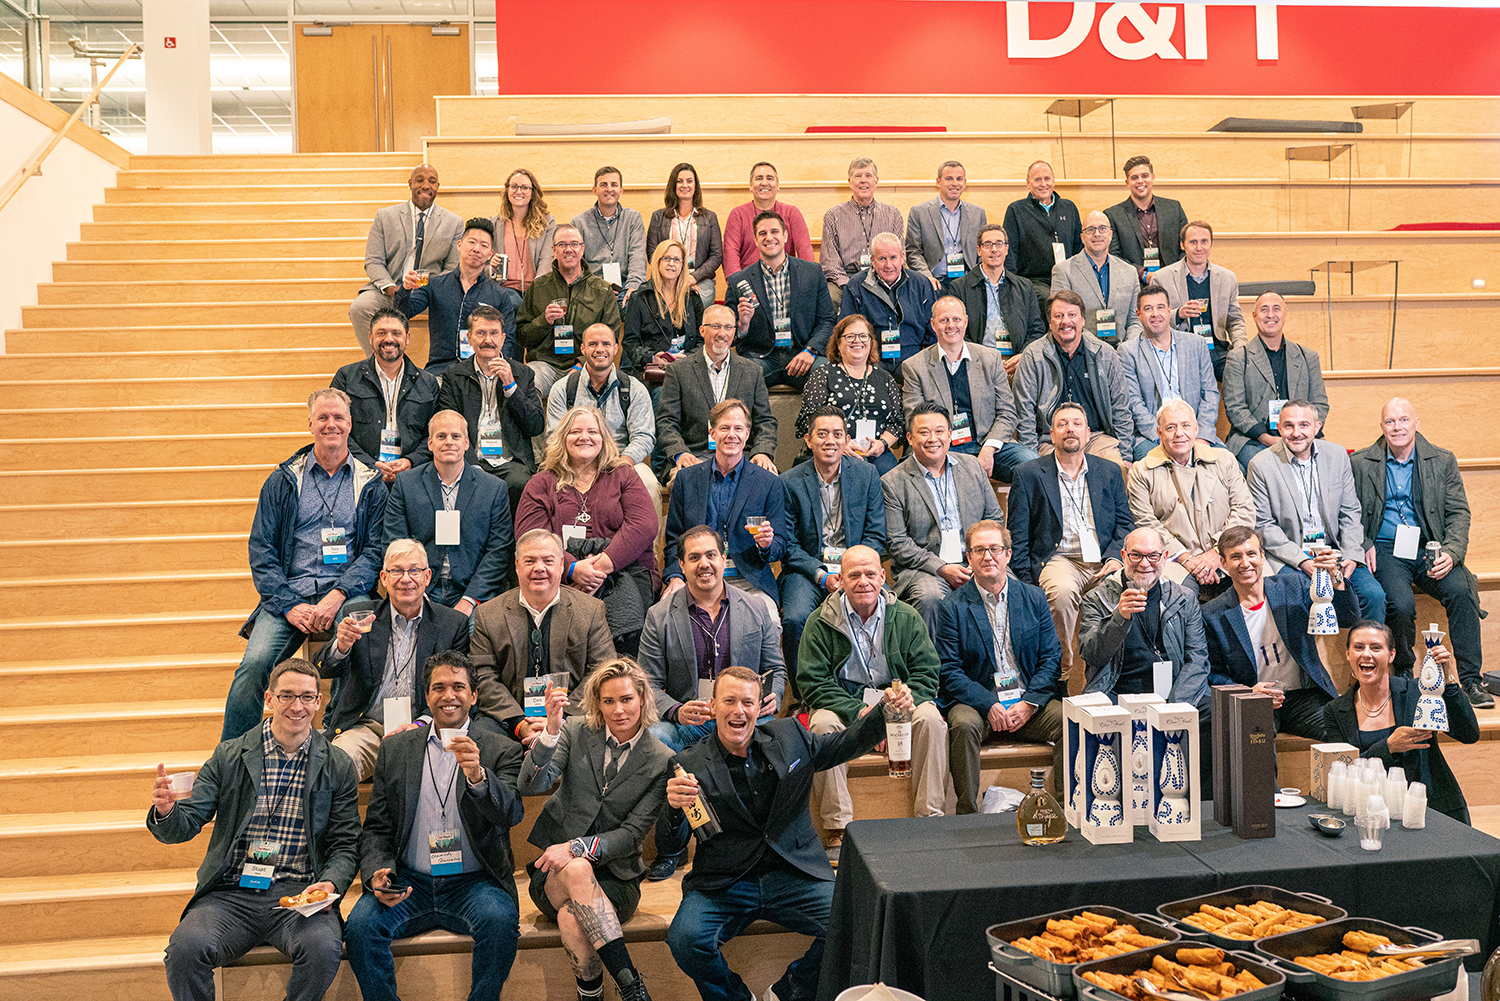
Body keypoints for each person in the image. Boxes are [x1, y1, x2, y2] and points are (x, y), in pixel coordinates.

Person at [664, 666, 914, 1001]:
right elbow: (670, 844)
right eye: (729, 701)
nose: (739, 711)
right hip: (725, 883)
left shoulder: (790, 735)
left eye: (748, 703)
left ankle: (787, 993)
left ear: (759, 708)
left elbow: (844, 744)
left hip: (794, 873)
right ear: (713, 706)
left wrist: (885, 711)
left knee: (859, 922)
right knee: (684, 939)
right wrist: (672, 808)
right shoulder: (687, 763)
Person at [149, 658, 360, 1001]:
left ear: (318, 702)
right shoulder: (230, 755)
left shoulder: (336, 763)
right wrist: (167, 811)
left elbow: (346, 843)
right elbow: (186, 823)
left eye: (307, 697)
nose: (297, 706)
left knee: (323, 949)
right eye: (287, 695)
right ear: (269, 698)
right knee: (185, 950)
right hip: (231, 893)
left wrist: (331, 882)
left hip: (299, 894)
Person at [344, 650, 525, 1001]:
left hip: (473, 884)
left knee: (501, 923)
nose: (448, 695)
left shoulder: (500, 749)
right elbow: (377, 826)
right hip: (409, 882)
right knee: (361, 927)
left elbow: (511, 814)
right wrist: (377, 870)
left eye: (458, 686)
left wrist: (478, 777)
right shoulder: (395, 749)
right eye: (438, 687)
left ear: (474, 695)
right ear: (426, 697)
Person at [225, 388, 387, 740]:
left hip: (346, 593)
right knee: (253, 667)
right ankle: (233, 758)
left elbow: (375, 551)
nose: (331, 424)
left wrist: (338, 594)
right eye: (323, 417)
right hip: (290, 594)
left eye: (338, 417)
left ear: (350, 424)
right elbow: (262, 550)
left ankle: (334, 737)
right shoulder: (283, 480)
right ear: (310, 424)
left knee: (361, 647)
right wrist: (288, 604)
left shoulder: (370, 482)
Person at [639, 524, 786, 880]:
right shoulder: (659, 615)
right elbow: (647, 684)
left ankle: (768, 843)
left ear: (724, 558)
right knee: (656, 738)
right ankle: (671, 848)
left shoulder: (757, 607)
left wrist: (774, 695)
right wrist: (676, 710)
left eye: (710, 555)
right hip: (688, 721)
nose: (704, 564)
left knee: (779, 740)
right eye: (694, 558)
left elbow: (776, 669)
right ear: (681, 565)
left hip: (743, 717)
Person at [519, 658, 671, 1001]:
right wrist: (551, 731)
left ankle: (591, 996)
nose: (618, 710)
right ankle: (632, 987)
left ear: (642, 699)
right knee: (576, 868)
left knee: (572, 919)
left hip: (617, 880)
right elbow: (530, 785)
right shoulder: (574, 731)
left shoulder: (660, 759)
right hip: (555, 875)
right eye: (608, 701)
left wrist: (576, 846)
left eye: (626, 699)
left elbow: (631, 835)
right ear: (597, 704)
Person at [798, 545, 947, 853]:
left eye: (869, 574)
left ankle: (930, 819)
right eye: (854, 575)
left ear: (882, 577)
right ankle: (838, 827)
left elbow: (927, 674)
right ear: (840, 580)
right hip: (848, 706)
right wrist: (861, 713)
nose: (863, 582)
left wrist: (898, 710)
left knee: (931, 719)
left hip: (898, 704)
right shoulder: (820, 621)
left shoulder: (907, 617)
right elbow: (813, 684)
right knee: (821, 724)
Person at [1351, 398, 1492, 707]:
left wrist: (1452, 552)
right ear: (1381, 426)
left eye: (1404, 420)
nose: (1397, 427)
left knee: (1462, 591)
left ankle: (1470, 680)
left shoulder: (1442, 460)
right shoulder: (1361, 462)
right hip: (1386, 548)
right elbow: (1349, 513)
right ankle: (1403, 674)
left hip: (1431, 547)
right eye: (1390, 421)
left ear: (1417, 423)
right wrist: (1364, 543)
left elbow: (1458, 514)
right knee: (1400, 604)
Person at [936, 520, 1064, 813]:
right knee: (963, 725)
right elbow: (949, 670)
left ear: (1008, 554)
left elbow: (1050, 659)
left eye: (995, 549)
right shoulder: (952, 607)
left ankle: (1062, 811)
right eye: (979, 550)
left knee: (1069, 720)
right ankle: (968, 815)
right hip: (978, 704)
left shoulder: (1033, 598)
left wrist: (1029, 703)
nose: (987, 557)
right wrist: (989, 704)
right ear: (968, 558)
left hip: (1026, 703)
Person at [316, 539, 471, 781]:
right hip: (365, 728)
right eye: (396, 571)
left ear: (428, 577)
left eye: (414, 570)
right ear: (384, 578)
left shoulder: (452, 624)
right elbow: (323, 668)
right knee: (334, 767)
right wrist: (342, 645)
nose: (406, 579)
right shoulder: (360, 616)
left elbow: (457, 691)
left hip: (424, 729)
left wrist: (420, 725)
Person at [1007, 403, 1135, 693]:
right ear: (1052, 435)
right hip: (1058, 559)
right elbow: (1018, 536)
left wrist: (1115, 558)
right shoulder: (1028, 474)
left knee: (1129, 590)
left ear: (1088, 433)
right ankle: (1061, 677)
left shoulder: (1109, 471)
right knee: (1062, 592)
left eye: (1077, 423)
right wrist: (1027, 583)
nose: (1070, 429)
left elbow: (1125, 525)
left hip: (1103, 559)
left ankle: (1113, 678)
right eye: (1062, 424)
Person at [516, 406, 659, 657]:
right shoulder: (541, 483)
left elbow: (643, 524)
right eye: (575, 432)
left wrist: (600, 567)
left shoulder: (624, 475)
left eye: (593, 431)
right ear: (563, 438)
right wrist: (571, 568)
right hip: (560, 575)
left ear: (604, 438)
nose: (585, 437)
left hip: (624, 571)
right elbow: (531, 535)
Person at [1202, 527, 1357, 739]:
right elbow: (1213, 673)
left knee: (1345, 731)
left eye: (1251, 554)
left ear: (1262, 556)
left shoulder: (1293, 586)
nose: (1245, 563)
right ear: (1223, 563)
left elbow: (1348, 618)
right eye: (1236, 557)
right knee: (1255, 740)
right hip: (1255, 698)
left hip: (1304, 697)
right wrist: (1248, 693)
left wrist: (1335, 579)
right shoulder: (1213, 614)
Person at [469, 529, 617, 746]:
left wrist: (559, 721)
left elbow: (601, 671)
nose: (539, 568)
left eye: (548, 561)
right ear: (517, 566)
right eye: (530, 561)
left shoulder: (590, 610)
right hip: (509, 719)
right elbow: (483, 676)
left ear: (561, 565)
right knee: (482, 735)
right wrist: (520, 724)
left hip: (572, 717)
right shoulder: (489, 614)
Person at [1323, 621, 1480, 823]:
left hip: (1431, 811)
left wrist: (1447, 681)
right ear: (1348, 654)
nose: (1366, 654)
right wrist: (1388, 747)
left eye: (1376, 648)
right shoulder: (1335, 711)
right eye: (1359, 647)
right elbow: (1341, 770)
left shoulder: (1418, 692)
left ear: (1392, 655)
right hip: (1369, 816)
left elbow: (1468, 733)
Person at [1246, 398, 1386, 620]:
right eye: (1289, 425)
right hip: (1291, 555)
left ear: (1317, 427)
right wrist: (1302, 561)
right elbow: (1263, 525)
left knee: (1373, 596)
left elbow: (1350, 512)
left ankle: (1361, 644)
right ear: (1279, 428)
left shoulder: (1337, 456)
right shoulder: (1261, 465)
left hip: (1335, 552)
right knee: (1297, 599)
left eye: (1304, 425)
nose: (1296, 433)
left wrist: (1351, 555)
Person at [780, 407, 889, 682]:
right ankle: (804, 693)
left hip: (857, 567)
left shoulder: (867, 475)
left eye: (837, 434)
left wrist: (854, 570)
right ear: (808, 440)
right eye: (822, 434)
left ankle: (878, 684)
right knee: (795, 618)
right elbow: (789, 544)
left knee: (889, 609)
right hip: (808, 570)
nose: (830, 441)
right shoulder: (790, 481)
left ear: (847, 439)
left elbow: (876, 534)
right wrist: (821, 575)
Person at [882, 402, 1004, 634]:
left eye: (939, 431)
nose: (932, 439)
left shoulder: (972, 467)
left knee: (1013, 590)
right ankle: (932, 660)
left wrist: (979, 558)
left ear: (949, 434)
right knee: (931, 598)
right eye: (923, 432)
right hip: (925, 568)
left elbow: (993, 518)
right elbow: (897, 542)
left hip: (975, 559)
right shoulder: (893, 482)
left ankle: (1001, 656)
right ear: (909, 438)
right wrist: (941, 568)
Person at [382, 409, 516, 615]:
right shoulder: (406, 483)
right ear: (430, 443)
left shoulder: (493, 488)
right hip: (420, 589)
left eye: (456, 436)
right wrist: (417, 593)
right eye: (441, 436)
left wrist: (469, 601)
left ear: (466, 443)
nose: (449, 442)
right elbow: (394, 542)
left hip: (472, 591)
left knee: (478, 629)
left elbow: (499, 551)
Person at [663, 399, 786, 618]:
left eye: (738, 428)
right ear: (712, 433)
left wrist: (766, 545)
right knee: (666, 618)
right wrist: (675, 577)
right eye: (724, 428)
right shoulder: (686, 479)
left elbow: (780, 544)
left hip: (749, 580)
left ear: (747, 434)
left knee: (770, 622)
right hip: (698, 578)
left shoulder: (769, 483)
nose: (732, 435)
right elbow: (674, 540)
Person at [901, 296, 1037, 483]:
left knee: (1033, 467)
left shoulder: (990, 359)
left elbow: (1007, 413)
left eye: (956, 319)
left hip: (988, 444)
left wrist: (989, 448)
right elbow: (915, 420)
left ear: (965, 321)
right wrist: (941, 449)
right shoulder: (915, 366)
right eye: (944, 320)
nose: (951, 325)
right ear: (933, 324)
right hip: (940, 447)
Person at [1125, 400, 1254, 598]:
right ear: (1159, 433)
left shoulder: (1224, 459)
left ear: (1196, 429)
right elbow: (1147, 523)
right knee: (1182, 596)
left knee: (1258, 586)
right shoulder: (1140, 471)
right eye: (1171, 427)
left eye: (1185, 425)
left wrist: (1217, 552)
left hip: (1226, 551)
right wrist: (1187, 559)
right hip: (1175, 559)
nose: (1179, 433)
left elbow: (1244, 510)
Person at [1077, 527, 1211, 713]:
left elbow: (1197, 659)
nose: (1145, 563)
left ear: (1164, 557)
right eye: (1136, 555)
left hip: (1173, 693)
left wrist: (1175, 707)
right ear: (1123, 556)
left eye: (1153, 556)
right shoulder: (1097, 598)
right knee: (1093, 721)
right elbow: (1093, 655)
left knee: (1216, 713)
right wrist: (1118, 618)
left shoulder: (1184, 598)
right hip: (1117, 693)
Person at [435, 304, 545, 516]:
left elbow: (535, 426)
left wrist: (511, 386)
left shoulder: (522, 374)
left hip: (510, 461)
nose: (488, 340)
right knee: (465, 482)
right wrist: (471, 464)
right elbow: (447, 423)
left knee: (519, 483)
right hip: (468, 459)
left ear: (503, 338)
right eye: (481, 333)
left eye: (494, 333)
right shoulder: (454, 375)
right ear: (469, 338)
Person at [1011, 289, 1136, 466]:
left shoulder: (1105, 354)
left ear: (1083, 320)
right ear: (1050, 322)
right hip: (1050, 440)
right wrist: (1031, 460)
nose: (1066, 321)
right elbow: (1025, 414)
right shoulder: (1032, 356)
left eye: (1072, 315)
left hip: (1095, 438)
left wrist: (1125, 456)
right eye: (1058, 316)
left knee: (1116, 469)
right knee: (1050, 475)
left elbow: (1121, 409)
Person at [350, 163, 462, 354]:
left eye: (432, 181)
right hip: (391, 289)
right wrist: (392, 289)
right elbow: (373, 261)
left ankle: (443, 364)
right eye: (420, 180)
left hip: (429, 293)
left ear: (438, 186)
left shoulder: (453, 222)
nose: (426, 185)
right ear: (410, 184)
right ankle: (378, 362)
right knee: (359, 308)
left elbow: (452, 268)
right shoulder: (385, 216)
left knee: (458, 306)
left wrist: (428, 290)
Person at [656, 304, 778, 476]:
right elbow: (666, 421)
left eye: (728, 327)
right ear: (702, 330)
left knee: (769, 479)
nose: (722, 333)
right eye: (715, 326)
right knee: (683, 479)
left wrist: (762, 452)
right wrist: (680, 453)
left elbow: (765, 421)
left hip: (741, 456)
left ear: (734, 332)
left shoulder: (752, 371)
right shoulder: (678, 370)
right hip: (695, 456)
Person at [725, 210, 836, 392]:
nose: (769, 237)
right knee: (738, 377)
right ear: (755, 240)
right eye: (762, 233)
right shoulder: (739, 280)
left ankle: (812, 413)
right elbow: (729, 335)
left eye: (774, 231)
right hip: (760, 358)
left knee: (827, 374)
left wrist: (811, 350)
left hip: (802, 353)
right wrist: (742, 325)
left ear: (785, 236)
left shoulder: (812, 272)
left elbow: (827, 320)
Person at [546, 323, 658, 498]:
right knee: (546, 483)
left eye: (606, 344)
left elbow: (644, 436)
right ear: (583, 349)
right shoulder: (562, 389)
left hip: (621, 460)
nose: (600, 349)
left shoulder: (634, 389)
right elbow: (554, 436)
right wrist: (579, 465)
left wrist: (623, 462)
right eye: (593, 344)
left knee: (648, 483)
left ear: (615, 348)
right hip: (574, 462)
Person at [396, 216, 520, 372]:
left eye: (484, 245)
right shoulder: (434, 285)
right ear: (459, 245)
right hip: (442, 369)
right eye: (472, 242)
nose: (476, 249)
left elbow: (507, 340)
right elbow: (403, 313)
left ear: (490, 254)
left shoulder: (500, 295)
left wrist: (494, 372)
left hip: (483, 371)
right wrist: (406, 289)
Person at [1223, 291, 1330, 471]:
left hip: (1301, 437)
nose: (1270, 315)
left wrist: (1301, 434)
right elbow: (1235, 408)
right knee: (1269, 468)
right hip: (1254, 440)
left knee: (1330, 463)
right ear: (1254, 316)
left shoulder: (1308, 357)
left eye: (1276, 309)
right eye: (1264, 309)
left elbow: (1320, 404)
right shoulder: (1238, 358)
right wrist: (1266, 438)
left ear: (1285, 314)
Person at [331, 306, 439, 483]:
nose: (389, 339)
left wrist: (411, 461)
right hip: (358, 475)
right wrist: (369, 464)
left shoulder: (428, 382)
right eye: (381, 333)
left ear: (407, 338)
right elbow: (335, 428)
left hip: (413, 477)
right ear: (370, 337)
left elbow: (436, 433)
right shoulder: (346, 377)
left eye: (396, 333)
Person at [516, 224, 624, 398]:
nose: (568, 249)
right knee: (526, 384)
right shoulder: (538, 286)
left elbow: (610, 338)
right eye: (562, 245)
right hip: (545, 364)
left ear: (582, 249)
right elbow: (522, 336)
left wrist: (581, 364)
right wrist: (544, 321)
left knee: (585, 386)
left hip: (586, 365)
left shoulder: (602, 290)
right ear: (553, 250)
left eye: (574, 244)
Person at [1118, 284, 1221, 461]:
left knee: (1230, 467)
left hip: (1195, 433)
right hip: (1152, 436)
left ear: (1169, 310)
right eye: (1148, 309)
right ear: (1138, 315)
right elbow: (1134, 403)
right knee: (1155, 468)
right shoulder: (1128, 352)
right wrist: (1163, 436)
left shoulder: (1196, 344)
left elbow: (1210, 394)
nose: (1155, 314)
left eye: (1160, 307)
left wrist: (1201, 434)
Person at [794, 315, 905, 475]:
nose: (857, 341)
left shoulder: (885, 378)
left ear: (871, 342)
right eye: (850, 336)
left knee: (894, 482)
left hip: (876, 454)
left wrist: (882, 444)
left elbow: (897, 422)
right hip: (833, 451)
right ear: (838, 343)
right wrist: (840, 445)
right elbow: (809, 419)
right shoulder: (823, 374)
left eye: (863, 336)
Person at [836, 231, 938, 380]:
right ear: (872, 260)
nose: (888, 265)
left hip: (912, 357)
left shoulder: (921, 284)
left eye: (893, 257)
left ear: (903, 257)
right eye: (882, 259)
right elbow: (845, 329)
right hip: (871, 359)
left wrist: (928, 363)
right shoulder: (855, 286)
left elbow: (933, 330)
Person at [1152, 220, 1247, 381]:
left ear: (1211, 244)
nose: (1199, 247)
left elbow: (1235, 321)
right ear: (1182, 245)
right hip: (1179, 351)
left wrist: (1240, 350)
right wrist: (1178, 314)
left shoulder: (1227, 278)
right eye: (1193, 242)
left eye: (1204, 241)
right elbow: (1153, 321)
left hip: (1217, 352)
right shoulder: (1162, 278)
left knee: (1242, 373)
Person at [949, 223, 1046, 374]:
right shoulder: (959, 288)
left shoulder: (1024, 287)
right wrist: (980, 358)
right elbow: (956, 332)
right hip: (977, 365)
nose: (994, 249)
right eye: (988, 244)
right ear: (979, 250)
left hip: (1017, 365)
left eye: (999, 244)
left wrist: (1024, 356)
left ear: (1006, 249)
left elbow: (1036, 330)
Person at [820, 157, 904, 307]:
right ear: (850, 182)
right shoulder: (833, 216)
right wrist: (849, 285)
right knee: (830, 298)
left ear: (876, 181)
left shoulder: (893, 215)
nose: (863, 180)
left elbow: (899, 255)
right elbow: (830, 263)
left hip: (883, 277)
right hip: (845, 279)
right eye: (858, 176)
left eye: (868, 175)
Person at [1050, 211, 1143, 346]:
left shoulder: (1129, 272)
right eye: (1090, 230)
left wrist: (1128, 348)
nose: (1097, 234)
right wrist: (1099, 350)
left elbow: (1135, 319)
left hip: (1123, 350)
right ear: (1082, 237)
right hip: (1081, 350)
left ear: (1110, 234)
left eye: (1102, 228)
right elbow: (1062, 322)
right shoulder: (1063, 271)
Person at [621, 239, 705, 386]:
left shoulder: (692, 298)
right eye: (666, 258)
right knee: (664, 392)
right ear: (657, 262)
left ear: (682, 265)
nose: (671, 263)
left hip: (687, 369)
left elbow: (702, 339)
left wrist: (688, 358)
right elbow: (630, 343)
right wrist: (652, 357)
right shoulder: (640, 297)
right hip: (654, 373)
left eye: (676, 260)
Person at [1003, 161, 1082, 311]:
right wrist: (1012, 286)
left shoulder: (1069, 207)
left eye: (1047, 178)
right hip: (1034, 280)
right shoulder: (1016, 210)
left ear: (1054, 181)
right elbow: (1010, 252)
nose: (1043, 184)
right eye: (1037, 179)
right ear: (1028, 183)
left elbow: (1079, 247)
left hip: (1067, 277)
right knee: (1050, 302)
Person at [646, 162, 723, 308]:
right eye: (679, 181)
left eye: (689, 181)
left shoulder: (710, 217)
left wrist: (693, 278)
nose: (685, 185)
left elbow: (716, 256)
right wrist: (673, 279)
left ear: (695, 186)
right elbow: (652, 253)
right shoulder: (658, 217)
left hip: (700, 280)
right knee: (666, 302)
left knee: (694, 303)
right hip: (665, 279)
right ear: (673, 186)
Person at [905, 160, 988, 292]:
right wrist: (927, 277)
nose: (955, 183)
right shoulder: (919, 212)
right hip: (934, 282)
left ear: (965, 183)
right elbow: (913, 252)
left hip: (968, 282)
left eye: (959, 179)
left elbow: (983, 250)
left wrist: (977, 276)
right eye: (949, 178)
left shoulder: (977, 213)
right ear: (938, 182)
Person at [1104, 156, 1188, 282]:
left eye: (1145, 176)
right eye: (1134, 177)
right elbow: (1115, 256)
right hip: (1133, 283)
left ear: (1153, 178)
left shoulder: (1174, 208)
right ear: (1127, 183)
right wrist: (1142, 275)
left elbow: (1186, 247)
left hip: (1173, 280)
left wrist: (1172, 273)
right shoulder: (1113, 215)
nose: (1140, 181)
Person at [721, 160, 815, 275]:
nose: (764, 183)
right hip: (749, 281)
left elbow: (805, 252)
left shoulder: (792, 213)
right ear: (750, 185)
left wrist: (808, 279)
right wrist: (738, 284)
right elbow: (730, 255)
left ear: (778, 185)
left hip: (786, 280)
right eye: (759, 178)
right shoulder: (737, 215)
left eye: (770, 178)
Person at [572, 166, 648, 305]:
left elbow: (637, 257)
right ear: (594, 190)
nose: (609, 189)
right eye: (603, 185)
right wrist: (597, 286)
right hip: (591, 288)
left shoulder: (633, 218)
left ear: (621, 190)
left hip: (625, 286)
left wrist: (633, 288)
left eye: (614, 185)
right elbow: (576, 265)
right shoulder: (579, 223)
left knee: (636, 306)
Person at [490, 167, 557, 297]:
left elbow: (546, 260)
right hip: (503, 289)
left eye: (525, 187)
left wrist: (536, 292)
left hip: (536, 288)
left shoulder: (547, 223)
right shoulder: (495, 224)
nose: (519, 191)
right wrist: (491, 267)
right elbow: (485, 264)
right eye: (514, 186)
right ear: (507, 190)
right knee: (512, 300)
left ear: (533, 193)